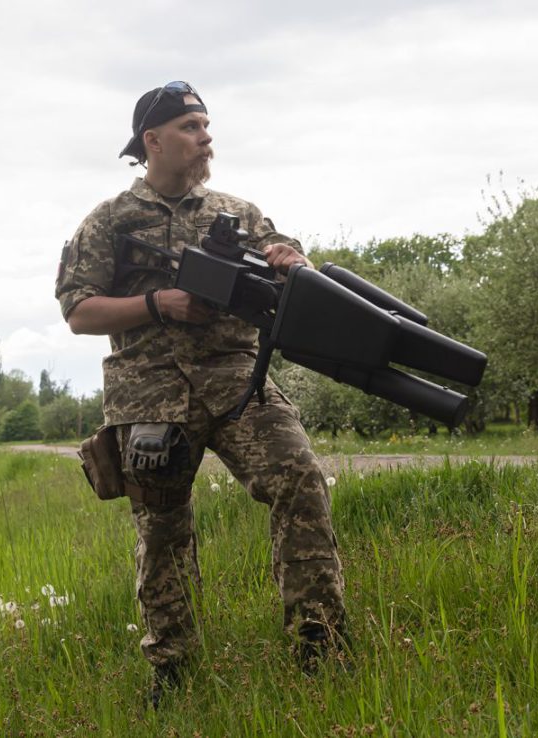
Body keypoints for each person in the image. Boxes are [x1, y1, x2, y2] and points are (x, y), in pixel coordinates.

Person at [54, 81, 347, 707]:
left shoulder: (239, 212)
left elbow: (290, 275)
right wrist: (158, 304)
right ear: (152, 142)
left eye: (207, 126)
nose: (205, 137)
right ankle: (172, 667)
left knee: (301, 483)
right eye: (191, 127)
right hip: (151, 396)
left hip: (241, 383)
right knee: (162, 529)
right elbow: (79, 311)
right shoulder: (108, 221)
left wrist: (288, 259)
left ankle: (320, 645)